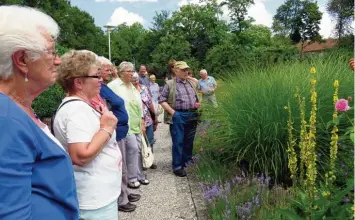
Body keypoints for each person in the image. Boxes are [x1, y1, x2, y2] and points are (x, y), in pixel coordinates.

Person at [0, 6, 79, 219]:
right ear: (22, 60)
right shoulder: (5, 120)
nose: (58, 60)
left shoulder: (16, 107)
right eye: (52, 52)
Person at [53, 50, 122, 219]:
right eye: (96, 76)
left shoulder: (81, 106)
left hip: (99, 195)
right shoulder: (76, 110)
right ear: (79, 82)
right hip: (94, 200)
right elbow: (80, 156)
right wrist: (107, 127)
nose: (101, 80)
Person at [95, 56, 140, 213]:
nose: (110, 71)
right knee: (118, 167)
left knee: (124, 165)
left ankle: (125, 193)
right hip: (114, 131)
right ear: (98, 69)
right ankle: (121, 199)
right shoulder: (100, 87)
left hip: (121, 130)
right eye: (107, 68)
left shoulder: (104, 86)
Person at [108, 61, 150, 189]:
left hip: (136, 123)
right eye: (129, 71)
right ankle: (131, 178)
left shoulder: (132, 86)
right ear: (121, 72)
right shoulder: (114, 85)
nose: (131, 74)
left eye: (132, 71)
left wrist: (142, 120)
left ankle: (139, 175)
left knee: (138, 150)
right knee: (132, 149)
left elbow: (138, 105)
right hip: (125, 125)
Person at [159, 61, 200, 177]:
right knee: (178, 141)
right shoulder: (170, 84)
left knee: (189, 141)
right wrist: (173, 113)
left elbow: (198, 88)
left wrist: (197, 105)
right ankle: (177, 166)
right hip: (179, 115)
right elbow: (161, 100)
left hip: (192, 115)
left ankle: (187, 163)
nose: (186, 71)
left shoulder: (190, 83)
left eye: (187, 69)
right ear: (176, 71)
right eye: (183, 70)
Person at [132, 73, 158, 170]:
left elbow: (150, 102)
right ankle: (141, 162)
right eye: (133, 80)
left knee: (150, 140)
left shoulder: (144, 88)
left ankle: (150, 160)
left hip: (148, 119)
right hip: (137, 120)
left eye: (136, 79)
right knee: (139, 142)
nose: (135, 81)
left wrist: (155, 116)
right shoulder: (129, 90)